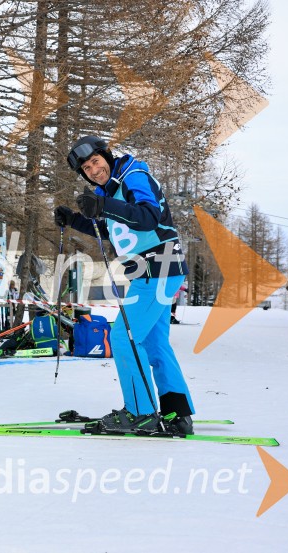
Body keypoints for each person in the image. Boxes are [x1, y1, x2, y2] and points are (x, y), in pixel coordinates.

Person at [54, 136, 194, 434]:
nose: (93, 170)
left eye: (95, 161)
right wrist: (76, 219)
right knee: (153, 343)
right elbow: (115, 227)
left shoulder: (133, 175)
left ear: (107, 155)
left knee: (123, 338)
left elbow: (147, 216)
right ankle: (177, 412)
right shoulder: (114, 188)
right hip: (156, 270)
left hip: (158, 267)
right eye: (86, 168)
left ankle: (140, 412)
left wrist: (104, 204)